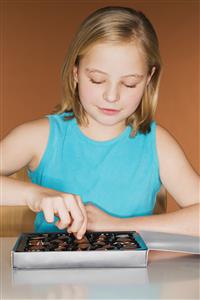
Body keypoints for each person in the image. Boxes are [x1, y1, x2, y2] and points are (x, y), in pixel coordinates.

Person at [1, 6, 199, 239]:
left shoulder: (157, 143)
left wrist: (117, 224)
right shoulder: (37, 137)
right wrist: (35, 195)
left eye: (129, 84)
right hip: (53, 275)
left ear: (148, 79)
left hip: (136, 275)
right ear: (76, 73)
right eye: (97, 80)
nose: (111, 96)